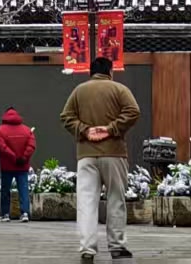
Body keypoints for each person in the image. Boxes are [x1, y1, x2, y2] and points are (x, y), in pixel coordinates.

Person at [59, 56, 140, 263]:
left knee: (86, 202)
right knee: (115, 199)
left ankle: (87, 249)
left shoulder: (79, 91)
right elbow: (133, 111)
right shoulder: (120, 89)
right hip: (114, 153)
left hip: (86, 154)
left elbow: (66, 116)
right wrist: (111, 129)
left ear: (91, 72)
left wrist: (85, 130)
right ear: (110, 71)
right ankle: (117, 246)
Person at [0, 106, 37, 221]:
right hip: (22, 165)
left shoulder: (0, 130)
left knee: (5, 190)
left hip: (7, 166)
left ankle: (5, 214)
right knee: (23, 189)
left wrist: (13, 157)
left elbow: (2, 147)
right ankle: (25, 213)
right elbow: (31, 146)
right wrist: (24, 157)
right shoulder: (27, 130)